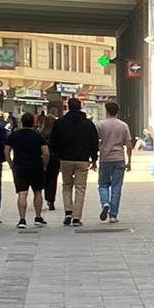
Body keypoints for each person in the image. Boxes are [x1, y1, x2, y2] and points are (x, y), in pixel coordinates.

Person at [48, 97, 98, 227]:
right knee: (80, 188)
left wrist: (59, 155)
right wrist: (94, 158)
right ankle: (77, 217)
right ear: (80, 107)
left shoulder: (60, 122)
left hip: (65, 159)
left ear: (68, 107)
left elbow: (53, 141)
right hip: (82, 159)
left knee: (67, 185)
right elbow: (94, 142)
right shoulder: (88, 124)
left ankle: (68, 211)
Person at [6, 112, 50, 228]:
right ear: (33, 122)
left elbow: (6, 151)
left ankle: (22, 219)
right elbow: (46, 153)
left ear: (21, 122)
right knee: (38, 192)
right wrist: (44, 165)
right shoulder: (38, 135)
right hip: (36, 167)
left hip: (19, 167)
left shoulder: (14, 135)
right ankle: (38, 217)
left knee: (22, 193)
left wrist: (11, 164)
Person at [94, 100, 133, 223]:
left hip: (105, 159)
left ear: (106, 111)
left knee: (103, 184)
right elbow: (129, 145)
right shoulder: (123, 125)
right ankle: (113, 215)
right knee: (116, 187)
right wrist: (129, 161)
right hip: (119, 158)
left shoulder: (100, 125)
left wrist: (94, 159)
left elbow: (95, 142)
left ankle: (105, 202)